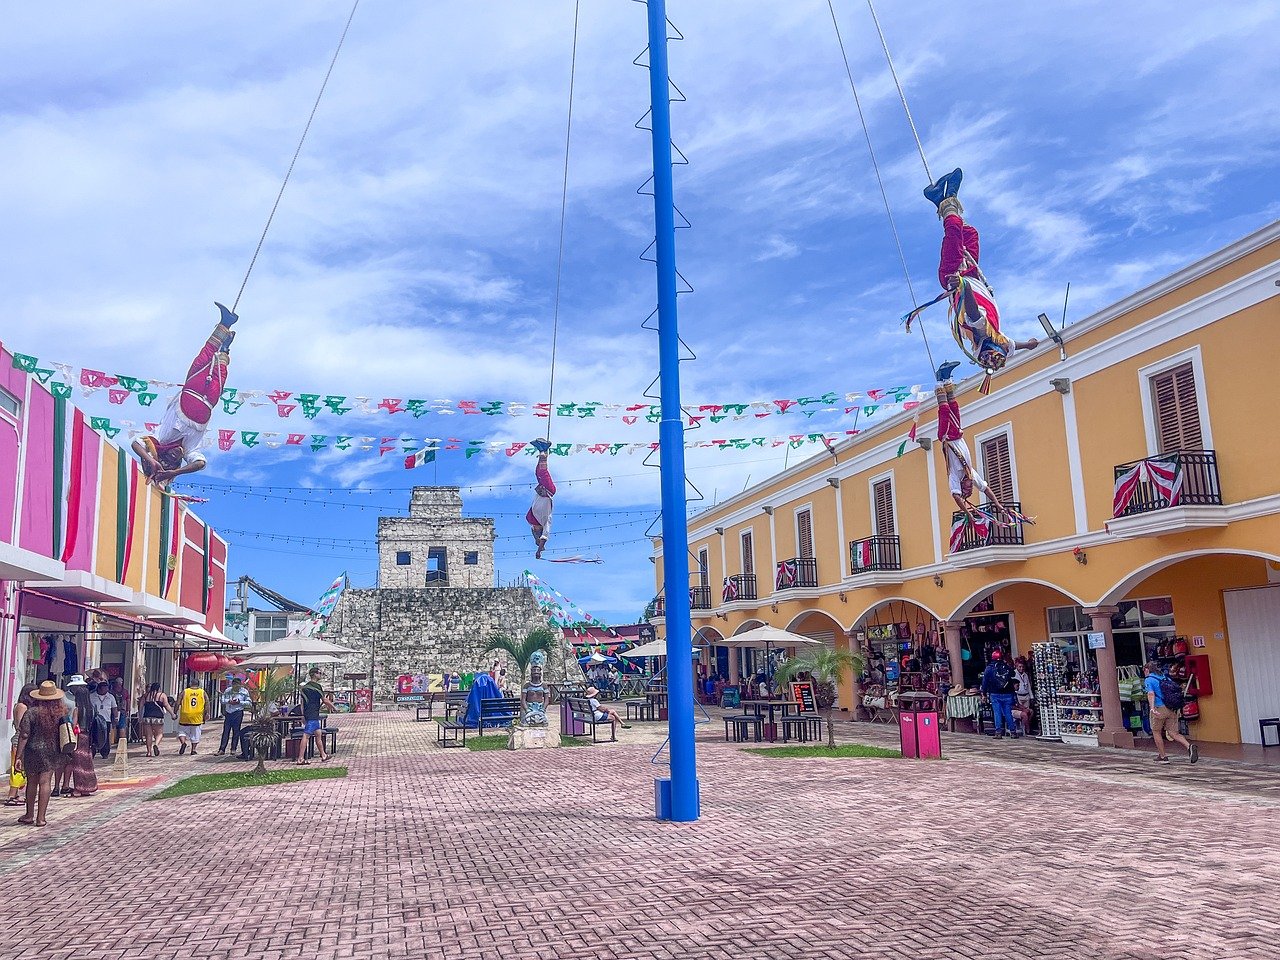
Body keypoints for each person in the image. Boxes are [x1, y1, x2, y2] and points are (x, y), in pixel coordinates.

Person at [922, 168, 1038, 374]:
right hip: (971, 274)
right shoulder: (998, 339)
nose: (1005, 347)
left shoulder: (980, 330)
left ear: (990, 347)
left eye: (1001, 348)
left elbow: (974, 311)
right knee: (970, 234)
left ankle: (949, 198)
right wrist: (1028, 345)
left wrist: (963, 286)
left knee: (954, 232)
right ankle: (939, 197)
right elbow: (1013, 346)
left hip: (955, 276)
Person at [130, 304, 237, 487]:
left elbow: (136, 444)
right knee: (221, 372)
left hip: (191, 392)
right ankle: (225, 348)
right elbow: (200, 463)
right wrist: (176, 472)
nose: (173, 456)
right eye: (173, 461)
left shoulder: (161, 439)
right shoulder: (189, 451)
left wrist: (151, 460)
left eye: (168, 458)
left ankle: (225, 323)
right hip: (208, 404)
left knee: (203, 358)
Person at [14, 681, 70, 827]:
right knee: (45, 782)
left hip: (32, 750)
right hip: (51, 751)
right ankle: (41, 818)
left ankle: (29, 814)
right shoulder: (60, 713)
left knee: (32, 783)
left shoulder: (31, 712)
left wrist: (18, 756)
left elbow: (24, 734)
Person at [1144, 660, 1199, 764]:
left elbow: (1151, 694)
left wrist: (1152, 708)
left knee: (1156, 731)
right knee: (1173, 733)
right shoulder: (1165, 678)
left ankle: (1163, 756)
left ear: (1147, 670)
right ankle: (1189, 746)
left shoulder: (1149, 680)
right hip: (1171, 708)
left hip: (1159, 708)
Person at [65, 677, 98, 797]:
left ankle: (78, 788)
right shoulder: (92, 708)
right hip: (88, 737)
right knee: (87, 763)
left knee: (77, 764)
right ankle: (88, 787)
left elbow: (74, 724)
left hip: (78, 736)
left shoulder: (77, 709)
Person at [6, 682, 37, 807]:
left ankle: (15, 793)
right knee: (17, 769)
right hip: (19, 741)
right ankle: (11, 795)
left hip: (24, 740)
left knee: (21, 769)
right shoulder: (22, 706)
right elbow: (20, 726)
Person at [297, 668, 337, 765]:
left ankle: (323, 754)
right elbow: (325, 700)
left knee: (318, 734)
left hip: (308, 713)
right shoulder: (317, 686)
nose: (321, 675)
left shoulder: (305, 688)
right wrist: (333, 706)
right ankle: (300, 758)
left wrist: (302, 715)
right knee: (306, 736)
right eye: (319, 673)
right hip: (313, 714)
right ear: (314, 674)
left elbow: (302, 703)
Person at [525, 439, 556, 558]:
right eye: (535, 529)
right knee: (543, 472)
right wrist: (539, 549)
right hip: (549, 491)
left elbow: (537, 535)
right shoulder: (546, 522)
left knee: (538, 472)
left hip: (542, 489)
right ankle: (544, 449)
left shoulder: (532, 519)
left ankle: (542, 449)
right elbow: (544, 538)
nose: (533, 527)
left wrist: (537, 542)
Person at [980, 650, 1016, 739]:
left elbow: (984, 682)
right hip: (1008, 693)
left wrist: (983, 693)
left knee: (997, 712)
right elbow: (1013, 673)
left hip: (995, 693)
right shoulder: (1006, 666)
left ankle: (998, 732)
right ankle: (1013, 732)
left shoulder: (989, 668)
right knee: (1008, 712)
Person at [216, 677, 251, 757]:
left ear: (240, 685)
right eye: (234, 686)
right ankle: (222, 749)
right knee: (226, 731)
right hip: (229, 713)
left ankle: (233, 749)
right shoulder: (228, 691)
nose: (236, 687)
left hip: (238, 712)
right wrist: (229, 701)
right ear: (232, 685)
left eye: (237, 686)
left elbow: (249, 702)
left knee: (236, 731)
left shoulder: (244, 692)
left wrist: (240, 702)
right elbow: (222, 700)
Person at [139, 682, 172, 757]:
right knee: (159, 733)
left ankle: (149, 752)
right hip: (158, 717)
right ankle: (156, 744)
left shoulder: (145, 695)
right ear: (159, 688)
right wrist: (172, 714)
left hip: (147, 717)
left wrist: (140, 717)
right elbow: (167, 705)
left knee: (148, 735)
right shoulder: (162, 695)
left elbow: (140, 706)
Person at [176, 680, 208, 756]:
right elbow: (207, 703)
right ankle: (193, 750)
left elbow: (178, 702)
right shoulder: (202, 692)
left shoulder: (185, 691)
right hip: (197, 716)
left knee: (181, 731)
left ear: (190, 684)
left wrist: (175, 711)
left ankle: (183, 743)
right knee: (195, 734)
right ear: (198, 685)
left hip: (185, 715)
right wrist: (206, 714)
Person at [88, 681, 117, 759]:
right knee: (93, 736)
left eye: (107, 688)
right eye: (105, 688)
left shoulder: (111, 697)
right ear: (100, 689)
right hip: (95, 720)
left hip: (106, 720)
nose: (107, 689)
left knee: (105, 736)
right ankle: (92, 752)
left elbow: (114, 708)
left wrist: (116, 718)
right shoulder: (91, 696)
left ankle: (105, 753)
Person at [1013, 657, 1034, 735]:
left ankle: (1026, 727)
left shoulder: (1025, 675)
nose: (1021, 668)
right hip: (1018, 696)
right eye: (1019, 667)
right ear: (1016, 666)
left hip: (1026, 696)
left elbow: (1028, 686)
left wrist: (1031, 697)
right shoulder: (1014, 674)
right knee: (1022, 712)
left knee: (1028, 712)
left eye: (1022, 667)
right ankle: (1026, 729)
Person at [108, 676, 130, 753]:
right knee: (122, 727)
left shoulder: (111, 691)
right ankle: (122, 745)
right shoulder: (125, 691)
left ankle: (110, 744)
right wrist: (128, 710)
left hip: (113, 710)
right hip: (122, 711)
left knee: (112, 727)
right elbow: (128, 701)